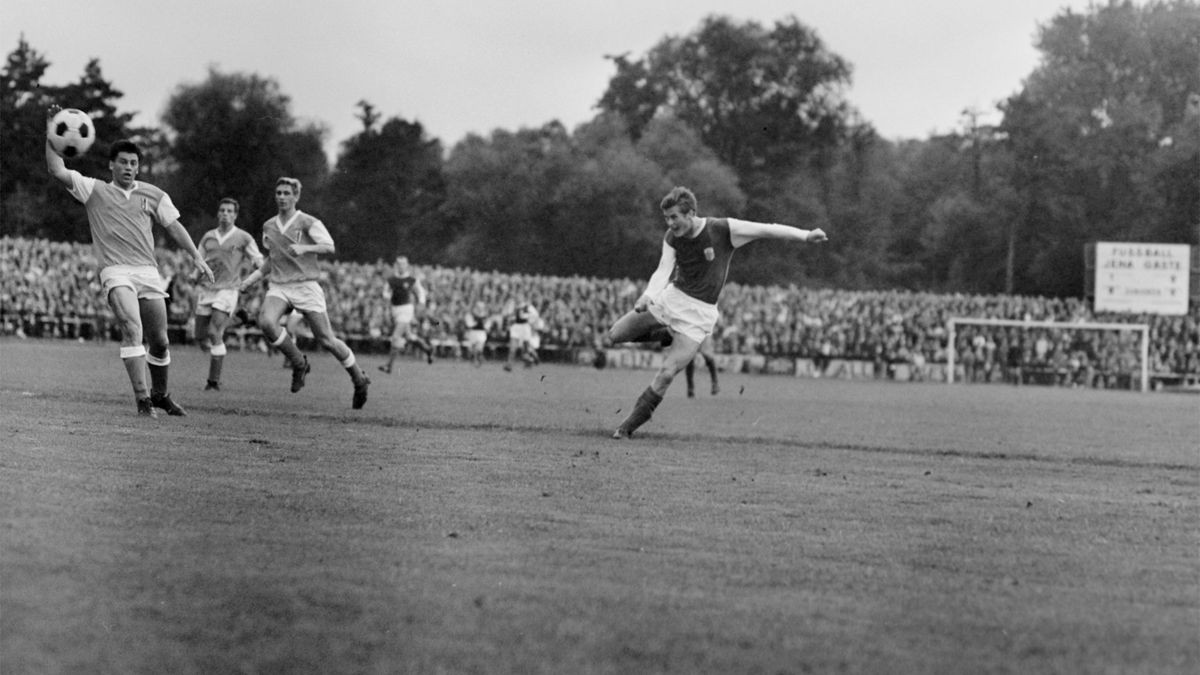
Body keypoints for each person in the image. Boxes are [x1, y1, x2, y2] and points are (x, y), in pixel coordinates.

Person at [609, 186, 826, 439]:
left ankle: (626, 428)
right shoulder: (671, 237)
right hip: (671, 299)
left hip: (698, 315)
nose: (670, 223)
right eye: (666, 218)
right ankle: (666, 333)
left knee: (667, 373)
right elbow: (662, 269)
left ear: (691, 213)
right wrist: (648, 295)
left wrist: (806, 235)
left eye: (674, 217)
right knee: (615, 335)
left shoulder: (723, 229)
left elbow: (767, 229)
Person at [44, 129, 214, 418]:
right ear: (112, 164)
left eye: (134, 163)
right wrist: (53, 132)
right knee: (133, 330)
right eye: (123, 162)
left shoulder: (154, 194)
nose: (129, 168)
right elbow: (56, 168)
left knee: (160, 340)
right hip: (115, 271)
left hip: (148, 272)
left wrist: (196, 257)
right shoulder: (93, 189)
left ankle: (160, 395)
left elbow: (174, 227)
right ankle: (143, 401)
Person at [238, 177, 370, 408]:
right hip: (280, 285)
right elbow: (272, 259)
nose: (282, 197)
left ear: (296, 196)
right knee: (267, 322)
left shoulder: (308, 222)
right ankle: (299, 363)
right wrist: (252, 279)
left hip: (306, 285)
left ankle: (359, 379)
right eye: (278, 192)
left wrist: (305, 247)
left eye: (287, 193)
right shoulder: (269, 225)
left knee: (327, 340)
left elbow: (329, 246)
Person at [194, 198, 263, 391]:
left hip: (228, 289)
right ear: (218, 213)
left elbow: (257, 258)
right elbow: (199, 258)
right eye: (222, 210)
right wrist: (194, 274)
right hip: (207, 289)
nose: (225, 213)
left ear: (235, 215)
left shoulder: (243, 237)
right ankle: (240, 319)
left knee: (215, 332)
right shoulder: (208, 237)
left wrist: (260, 268)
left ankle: (213, 381)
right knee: (200, 336)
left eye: (229, 211)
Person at [379, 256, 434, 373]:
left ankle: (389, 366)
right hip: (395, 310)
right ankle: (428, 349)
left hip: (406, 309)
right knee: (409, 337)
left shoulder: (411, 279)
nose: (401, 266)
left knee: (395, 337)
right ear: (396, 265)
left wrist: (421, 303)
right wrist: (386, 297)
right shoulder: (391, 280)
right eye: (399, 264)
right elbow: (386, 291)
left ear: (407, 265)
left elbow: (420, 292)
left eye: (403, 264)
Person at [503, 294, 541, 371]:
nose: (518, 299)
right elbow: (508, 315)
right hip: (516, 327)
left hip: (525, 327)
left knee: (526, 349)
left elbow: (535, 315)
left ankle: (532, 359)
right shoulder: (512, 306)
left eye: (519, 297)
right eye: (516, 297)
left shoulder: (527, 306)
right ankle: (509, 365)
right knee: (513, 348)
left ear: (523, 298)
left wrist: (529, 319)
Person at [462, 300, 494, 367]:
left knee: (479, 348)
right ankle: (474, 359)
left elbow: (487, 325)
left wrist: (483, 323)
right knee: (473, 349)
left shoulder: (486, 316)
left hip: (481, 333)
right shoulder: (470, 315)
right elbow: (469, 324)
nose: (480, 308)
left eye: (481, 307)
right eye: (478, 307)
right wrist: (477, 321)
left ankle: (478, 360)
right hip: (473, 333)